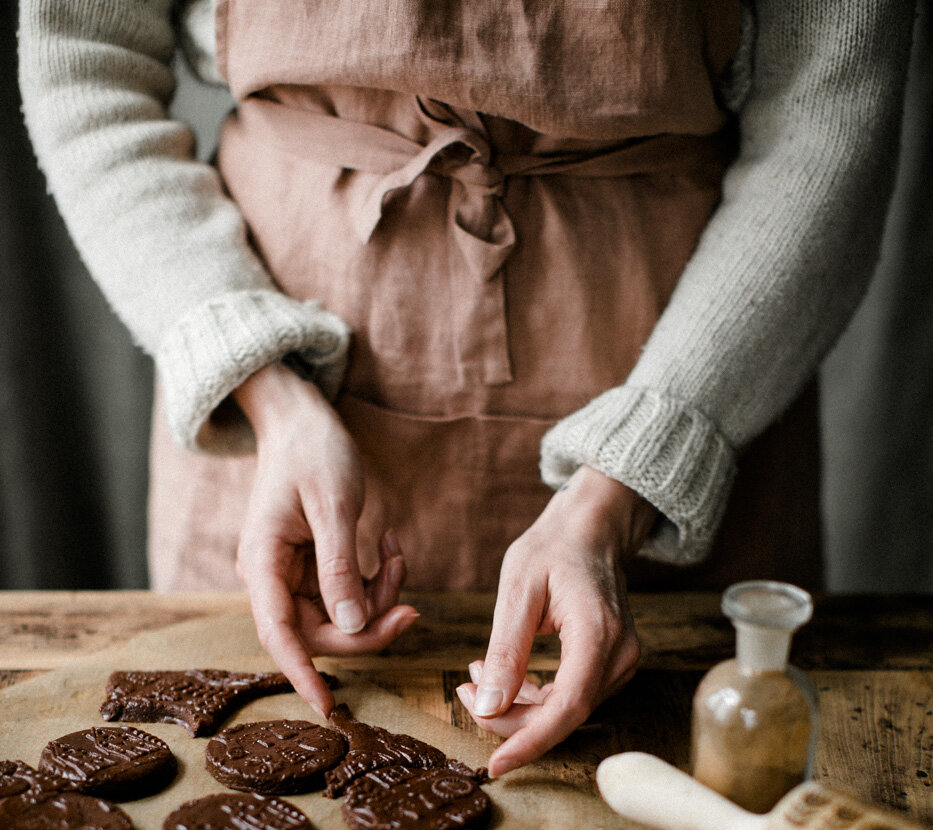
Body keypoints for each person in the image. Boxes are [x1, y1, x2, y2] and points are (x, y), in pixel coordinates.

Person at [19, 0, 913, 776]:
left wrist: (640, 471)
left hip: (697, 346)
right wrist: (266, 388)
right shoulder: (263, 389)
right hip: (273, 374)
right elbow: (85, 69)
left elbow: (826, 110)